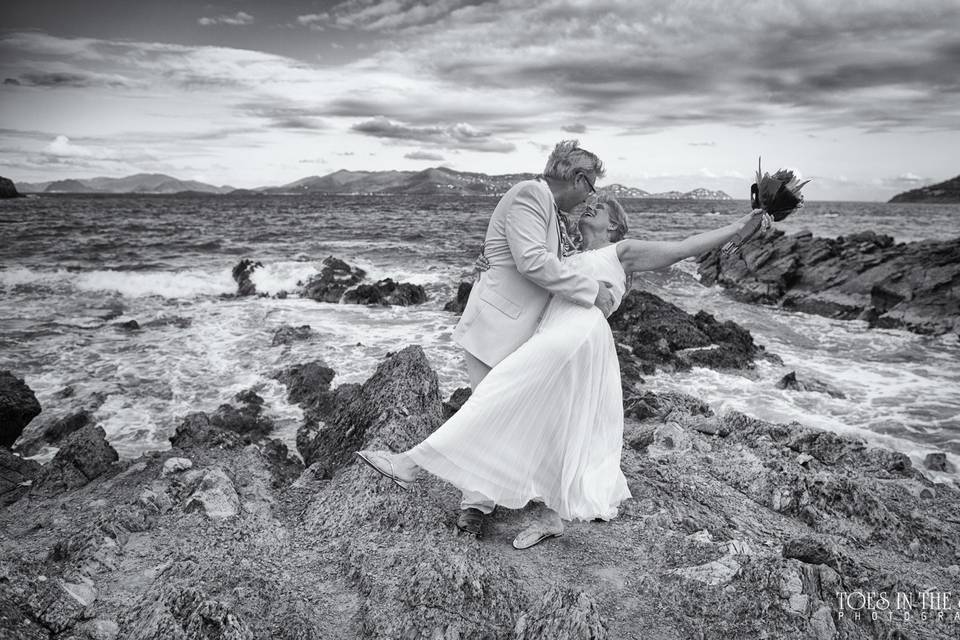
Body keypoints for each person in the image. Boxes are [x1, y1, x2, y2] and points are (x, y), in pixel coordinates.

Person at [357, 192, 769, 549]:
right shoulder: (563, 257)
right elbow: (527, 264)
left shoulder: (621, 254)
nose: (591, 205)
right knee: (551, 423)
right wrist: (488, 264)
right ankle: (550, 516)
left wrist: (738, 226)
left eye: (601, 205)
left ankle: (412, 464)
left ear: (615, 225)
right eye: (589, 200)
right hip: (554, 334)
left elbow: (684, 246)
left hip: (578, 335)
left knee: (499, 391)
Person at [441, 140, 617, 537]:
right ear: (578, 178)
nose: (590, 196)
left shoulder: (550, 211)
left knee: (507, 415)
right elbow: (532, 260)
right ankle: (474, 507)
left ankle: (506, 493)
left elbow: (533, 257)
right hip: (497, 326)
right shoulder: (530, 193)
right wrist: (592, 291)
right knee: (489, 415)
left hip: (521, 330)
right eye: (590, 187)